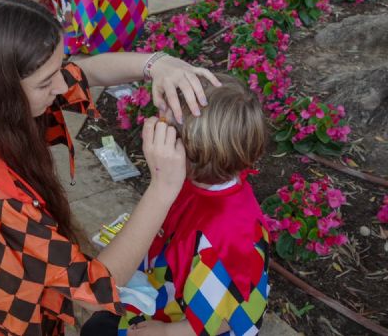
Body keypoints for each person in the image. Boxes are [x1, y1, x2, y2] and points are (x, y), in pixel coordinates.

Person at [0, 0, 220, 335]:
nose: (62, 85)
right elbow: (94, 289)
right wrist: (163, 187)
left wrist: (156, 64)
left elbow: (87, 71)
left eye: (58, 69)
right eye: (46, 82)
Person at [81, 74, 270, 336]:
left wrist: (166, 332)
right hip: (168, 297)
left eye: (167, 128)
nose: (156, 125)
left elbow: (230, 315)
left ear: (192, 152)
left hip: (189, 328)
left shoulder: (229, 236)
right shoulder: (193, 179)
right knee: (97, 326)